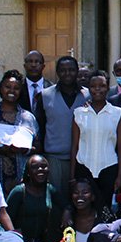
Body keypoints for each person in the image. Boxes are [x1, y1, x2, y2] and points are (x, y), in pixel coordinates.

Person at [71, 69, 121, 208]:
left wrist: (120, 176)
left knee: (105, 208)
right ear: (89, 88)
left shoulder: (117, 113)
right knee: (84, 208)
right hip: (83, 166)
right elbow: (74, 146)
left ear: (107, 87)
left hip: (108, 168)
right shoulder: (79, 113)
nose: (97, 89)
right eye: (93, 86)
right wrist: (72, 175)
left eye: (101, 86)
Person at [35, 55, 88, 195]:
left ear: (77, 71)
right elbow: (40, 126)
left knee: (79, 198)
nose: (67, 73)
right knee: (56, 198)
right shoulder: (45, 95)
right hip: (54, 158)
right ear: (57, 72)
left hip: (82, 157)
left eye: (71, 70)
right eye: (63, 70)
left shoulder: (87, 95)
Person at [6, 154, 62, 242]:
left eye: (43, 167)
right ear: (28, 172)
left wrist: (67, 213)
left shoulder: (50, 189)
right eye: (35, 167)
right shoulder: (19, 191)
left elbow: (67, 205)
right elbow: (6, 218)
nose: (40, 170)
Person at [60, 178, 113, 242]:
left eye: (85, 192)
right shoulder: (66, 217)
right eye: (76, 193)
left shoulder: (103, 218)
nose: (80, 196)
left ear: (93, 197)